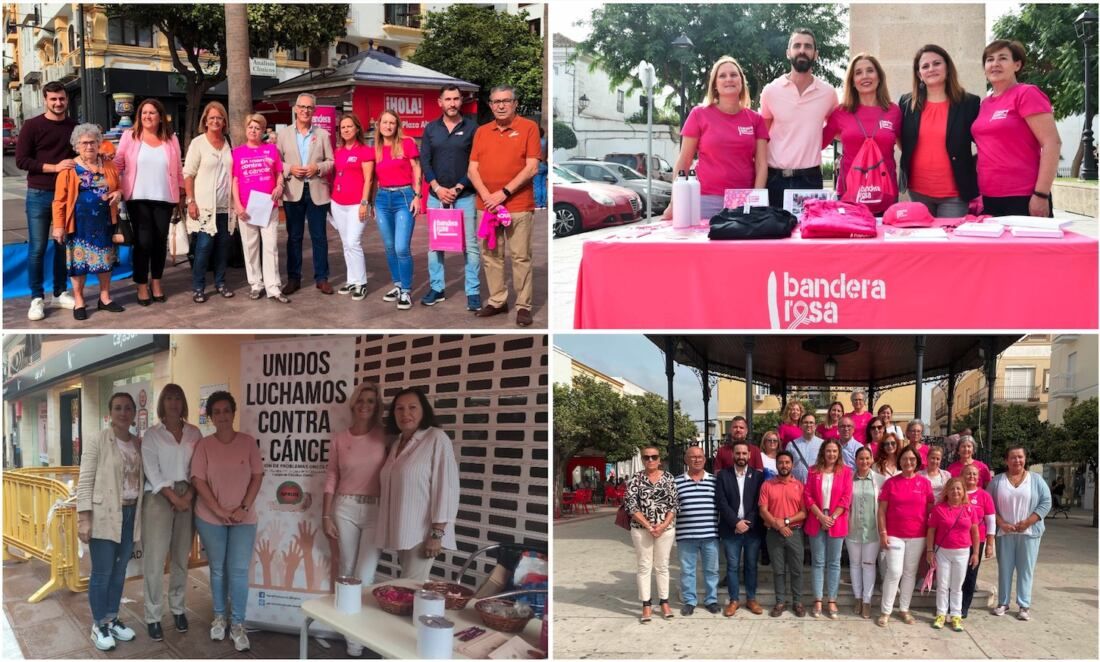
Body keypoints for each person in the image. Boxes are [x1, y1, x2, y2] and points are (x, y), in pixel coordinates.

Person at [190, 391, 264, 652]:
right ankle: (219, 617)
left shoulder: (248, 442)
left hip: (244, 518)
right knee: (218, 569)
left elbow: (257, 476)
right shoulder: (204, 445)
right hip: (211, 518)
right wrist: (218, 510)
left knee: (239, 571)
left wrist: (244, 508)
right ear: (210, 417)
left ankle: (238, 624)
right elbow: (198, 480)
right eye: (216, 412)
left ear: (233, 413)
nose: (222, 416)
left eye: (226, 411)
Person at [322, 382, 387, 656]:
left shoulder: (386, 437)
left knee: (366, 575)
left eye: (371, 401)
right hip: (345, 507)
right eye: (361, 400)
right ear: (353, 404)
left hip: (376, 510)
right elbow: (331, 476)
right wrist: (326, 514)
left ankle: (362, 631)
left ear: (376, 406)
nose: (365, 405)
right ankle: (352, 641)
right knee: (346, 571)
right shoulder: (339, 439)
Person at [468, 85, 540, 327]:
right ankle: (498, 300)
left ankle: (523, 306)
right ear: (490, 104)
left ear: (515, 103)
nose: (500, 105)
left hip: (518, 204)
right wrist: (488, 196)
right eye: (496, 101)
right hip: (486, 205)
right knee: (491, 255)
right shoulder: (481, 132)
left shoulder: (528, 128)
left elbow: (531, 167)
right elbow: (472, 169)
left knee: (521, 257)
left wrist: (504, 193)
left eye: (506, 101)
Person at [76, 392, 143, 651]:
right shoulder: (97, 440)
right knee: (102, 573)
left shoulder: (138, 443)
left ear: (134, 413)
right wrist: (84, 519)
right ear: (109, 413)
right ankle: (98, 624)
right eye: (118, 408)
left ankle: (112, 618)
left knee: (119, 571)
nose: (123, 412)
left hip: (130, 514)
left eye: (128, 408)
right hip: (104, 514)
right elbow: (85, 480)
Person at [664, 56, 768, 221]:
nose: (729, 79)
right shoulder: (699, 114)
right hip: (704, 199)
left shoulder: (756, 119)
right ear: (715, 84)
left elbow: (762, 165)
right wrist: (674, 202)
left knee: (740, 247)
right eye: (722, 76)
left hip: (743, 200)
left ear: (741, 81)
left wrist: (757, 199)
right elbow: (684, 160)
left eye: (734, 75)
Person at [377, 388, 460, 581]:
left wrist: (437, 533)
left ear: (424, 411)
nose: (405, 413)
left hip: (423, 533)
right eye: (399, 409)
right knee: (411, 585)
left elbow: (446, 488)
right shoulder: (398, 442)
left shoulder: (436, 438)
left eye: (412, 407)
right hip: (403, 529)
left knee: (409, 586)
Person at [972, 40, 1061, 217]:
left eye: (1002, 58)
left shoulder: (1026, 94)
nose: (995, 64)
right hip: (989, 196)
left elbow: (1052, 143)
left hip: (1024, 196)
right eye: (989, 60)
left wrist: (1041, 194)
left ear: (1017, 64)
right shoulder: (984, 104)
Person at [140, 384, 201, 641]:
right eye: (169, 398)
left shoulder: (195, 432)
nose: (174, 403)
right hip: (158, 496)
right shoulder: (152, 435)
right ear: (162, 403)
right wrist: (173, 496)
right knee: (154, 560)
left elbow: (199, 466)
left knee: (180, 557)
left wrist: (187, 495)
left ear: (183, 402)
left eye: (178, 398)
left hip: (188, 495)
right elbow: (151, 470)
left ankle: (177, 608)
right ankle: (153, 615)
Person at [15, 80, 77, 320]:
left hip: (67, 196)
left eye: (61, 98)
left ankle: (60, 292)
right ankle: (36, 298)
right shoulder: (32, 126)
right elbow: (22, 161)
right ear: (45, 100)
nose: (58, 103)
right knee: (37, 249)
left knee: (63, 247)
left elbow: (80, 156)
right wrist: (55, 167)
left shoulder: (75, 127)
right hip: (38, 195)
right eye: (53, 99)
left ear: (66, 99)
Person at [50, 124, 123, 321]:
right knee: (78, 264)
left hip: (104, 223)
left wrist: (117, 193)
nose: (89, 146)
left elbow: (119, 188)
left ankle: (105, 298)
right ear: (76, 145)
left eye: (93, 142)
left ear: (99, 143)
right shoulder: (69, 169)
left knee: (105, 260)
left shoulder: (108, 164)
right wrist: (58, 226)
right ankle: (80, 300)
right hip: (78, 224)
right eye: (84, 143)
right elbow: (59, 201)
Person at [114, 98, 183, 306]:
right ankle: (141, 284)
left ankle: (156, 282)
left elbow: (178, 169)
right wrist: (111, 183)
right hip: (137, 197)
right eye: (144, 113)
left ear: (160, 117)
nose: (147, 116)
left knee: (159, 243)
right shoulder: (129, 136)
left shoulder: (171, 139)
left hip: (164, 197)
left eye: (152, 113)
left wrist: (182, 196)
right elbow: (118, 163)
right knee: (143, 243)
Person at [899, 44, 981, 217]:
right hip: (917, 190)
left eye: (937, 63)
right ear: (919, 74)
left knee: (950, 241)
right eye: (925, 66)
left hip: (955, 194)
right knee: (923, 243)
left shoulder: (969, 103)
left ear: (947, 68)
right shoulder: (907, 103)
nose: (931, 69)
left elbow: (985, 141)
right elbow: (901, 138)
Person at [760, 28, 838, 208]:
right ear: (788, 53)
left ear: (815, 54)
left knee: (809, 234)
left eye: (808, 46)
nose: (802, 50)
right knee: (774, 234)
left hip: (810, 179)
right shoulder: (771, 91)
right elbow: (762, 138)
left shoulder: (828, 93)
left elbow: (838, 129)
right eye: (797, 45)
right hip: (774, 179)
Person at [420, 85, 481, 310]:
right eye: (448, 99)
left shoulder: (473, 129)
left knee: (470, 246)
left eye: (456, 99)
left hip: (464, 195)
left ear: (461, 101)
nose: (452, 103)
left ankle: (473, 291)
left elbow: (477, 163)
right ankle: (437, 288)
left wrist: (458, 187)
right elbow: (425, 160)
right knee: (436, 246)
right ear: (440, 102)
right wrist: (436, 187)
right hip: (436, 197)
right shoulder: (430, 129)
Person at [822, 53, 902, 214]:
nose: (865, 76)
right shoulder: (840, 112)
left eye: (870, 71)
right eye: (858, 73)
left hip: (886, 197)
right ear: (852, 81)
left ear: (879, 76)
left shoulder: (894, 111)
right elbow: (819, 143)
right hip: (849, 197)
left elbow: (906, 146)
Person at [276, 92, 334, 295]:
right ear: (295, 109)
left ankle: (322, 278)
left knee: (319, 236)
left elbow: (331, 162)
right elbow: (276, 163)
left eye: (309, 107)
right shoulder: (283, 135)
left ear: (314, 111)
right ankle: (294, 278)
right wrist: (289, 168)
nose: (305, 111)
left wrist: (317, 168)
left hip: (316, 190)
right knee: (294, 237)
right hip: (293, 191)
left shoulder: (323, 135)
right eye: (302, 107)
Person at [987, 446, 1052, 621]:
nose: (1017, 460)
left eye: (1020, 457)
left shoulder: (1036, 480)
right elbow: (988, 506)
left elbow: (1046, 503)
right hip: (1005, 532)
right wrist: (1001, 523)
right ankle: (1003, 602)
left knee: (1026, 570)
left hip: (1029, 533)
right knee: (1005, 568)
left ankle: (1024, 605)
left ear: (1025, 459)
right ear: (1006, 460)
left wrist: (1029, 521)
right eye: (1013, 457)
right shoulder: (997, 482)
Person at [183, 102, 235, 304]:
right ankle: (198, 286)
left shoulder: (228, 141)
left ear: (224, 122)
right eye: (211, 117)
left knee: (223, 247)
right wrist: (191, 201)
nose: (215, 121)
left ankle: (221, 282)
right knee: (204, 247)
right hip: (204, 206)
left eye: (219, 118)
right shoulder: (198, 143)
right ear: (205, 120)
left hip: (225, 206)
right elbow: (188, 174)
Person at [233, 114, 288, 303]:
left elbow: (279, 173)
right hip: (246, 207)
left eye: (257, 128)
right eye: (250, 127)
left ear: (263, 131)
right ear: (246, 129)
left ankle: (273, 287)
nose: (253, 131)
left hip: (268, 206)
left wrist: (279, 187)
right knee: (250, 247)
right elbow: (235, 180)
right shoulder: (237, 152)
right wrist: (237, 205)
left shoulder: (272, 150)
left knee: (271, 246)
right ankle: (256, 284)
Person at [876, 446, 933, 627]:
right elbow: (881, 511)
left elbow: (930, 510)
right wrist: (883, 533)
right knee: (894, 572)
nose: (908, 462)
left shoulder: (924, 483)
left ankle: (904, 609)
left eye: (912, 459)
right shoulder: (891, 483)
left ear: (917, 462)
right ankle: (886, 611)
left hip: (917, 536)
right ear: (899, 461)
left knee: (909, 573)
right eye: (905, 459)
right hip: (894, 535)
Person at [371, 109, 422, 311]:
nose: (388, 126)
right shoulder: (375, 148)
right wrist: (372, 201)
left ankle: (407, 291)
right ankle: (398, 285)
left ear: (397, 125)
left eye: (392, 122)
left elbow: (417, 168)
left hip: (404, 197)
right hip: (382, 199)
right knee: (390, 246)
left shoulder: (407, 143)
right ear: (379, 125)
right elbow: (373, 178)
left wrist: (417, 196)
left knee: (402, 247)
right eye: (385, 122)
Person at [623, 445, 679, 622]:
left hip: (666, 529)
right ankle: (646, 605)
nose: (650, 460)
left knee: (662, 566)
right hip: (641, 529)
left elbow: (674, 505)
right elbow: (631, 506)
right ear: (642, 460)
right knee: (644, 566)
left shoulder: (668, 478)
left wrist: (662, 525)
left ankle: (664, 602)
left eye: (654, 457)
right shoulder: (635, 479)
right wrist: (649, 526)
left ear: (659, 459)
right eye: (646, 457)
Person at [715, 439, 766, 617]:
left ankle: (751, 599)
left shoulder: (758, 476)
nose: (741, 456)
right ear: (732, 455)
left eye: (744, 453)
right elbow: (721, 503)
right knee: (732, 566)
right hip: (731, 530)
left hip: (752, 530)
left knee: (751, 565)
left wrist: (747, 523)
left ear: (750, 455)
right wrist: (736, 522)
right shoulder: (723, 475)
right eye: (738, 453)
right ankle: (734, 600)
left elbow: (758, 503)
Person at [803, 439, 851, 619]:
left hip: (836, 522)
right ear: (823, 452)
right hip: (817, 520)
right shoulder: (812, 470)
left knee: (834, 562)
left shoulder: (846, 472)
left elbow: (846, 498)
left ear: (839, 453)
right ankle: (817, 599)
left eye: (834, 451)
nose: (831, 454)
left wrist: (832, 518)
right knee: (818, 562)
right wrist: (820, 516)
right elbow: (807, 496)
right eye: (828, 451)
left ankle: (832, 599)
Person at [926, 477, 980, 632]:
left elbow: (975, 533)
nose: (955, 491)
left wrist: (975, 553)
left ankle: (956, 615)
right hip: (943, 551)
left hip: (962, 552)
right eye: (952, 489)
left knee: (957, 586)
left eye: (959, 489)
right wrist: (930, 551)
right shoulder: (939, 509)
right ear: (946, 492)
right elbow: (931, 531)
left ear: (963, 492)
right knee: (942, 585)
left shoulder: (970, 509)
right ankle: (941, 614)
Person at [329, 113, 374, 301]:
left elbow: (369, 179)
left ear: (357, 129)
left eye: (349, 126)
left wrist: (365, 202)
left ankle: (361, 283)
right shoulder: (337, 152)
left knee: (354, 242)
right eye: (343, 127)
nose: (346, 130)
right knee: (346, 244)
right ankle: (351, 279)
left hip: (357, 204)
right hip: (338, 203)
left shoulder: (365, 151)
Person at [758, 451, 807, 618]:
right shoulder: (767, 485)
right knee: (778, 570)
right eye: (781, 462)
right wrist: (777, 525)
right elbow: (763, 510)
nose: (784, 465)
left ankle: (797, 602)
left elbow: (804, 512)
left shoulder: (799, 485)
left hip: (795, 532)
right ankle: (780, 602)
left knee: (797, 570)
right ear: (776, 465)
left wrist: (785, 522)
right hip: (773, 534)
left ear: (792, 465)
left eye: (787, 462)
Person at [674, 446, 720, 616]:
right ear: (686, 460)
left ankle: (711, 600)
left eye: (700, 456)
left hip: (710, 535)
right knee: (687, 571)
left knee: (711, 570)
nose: (697, 459)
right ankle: (690, 601)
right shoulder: (676, 482)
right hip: (686, 536)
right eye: (692, 457)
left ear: (705, 459)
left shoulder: (714, 481)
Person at [847, 446, 884, 619]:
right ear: (856, 460)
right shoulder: (849, 480)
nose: (864, 462)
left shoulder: (880, 480)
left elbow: (884, 508)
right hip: (852, 530)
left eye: (867, 458)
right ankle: (858, 598)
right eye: (860, 458)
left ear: (872, 460)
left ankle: (867, 601)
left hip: (872, 530)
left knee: (868, 565)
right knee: (854, 565)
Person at [960, 464, 997, 619]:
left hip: (976, 541)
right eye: (968, 474)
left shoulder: (984, 496)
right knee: (955, 574)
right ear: (963, 475)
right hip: (956, 541)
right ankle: (950, 604)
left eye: (975, 474)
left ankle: (963, 607)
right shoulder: (957, 491)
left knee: (970, 574)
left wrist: (989, 543)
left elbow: (991, 520)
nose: (972, 477)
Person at [788, 413, 823, 485]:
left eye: (811, 423)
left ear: (816, 426)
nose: (808, 425)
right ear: (801, 425)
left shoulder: (823, 444)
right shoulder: (791, 445)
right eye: (805, 422)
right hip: (796, 487)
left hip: (816, 486)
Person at [534, 125, 548, 209]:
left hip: (538, 165)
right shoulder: (545, 141)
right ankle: (543, 203)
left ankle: (538, 204)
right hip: (546, 164)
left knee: (537, 185)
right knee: (543, 185)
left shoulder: (536, 142)